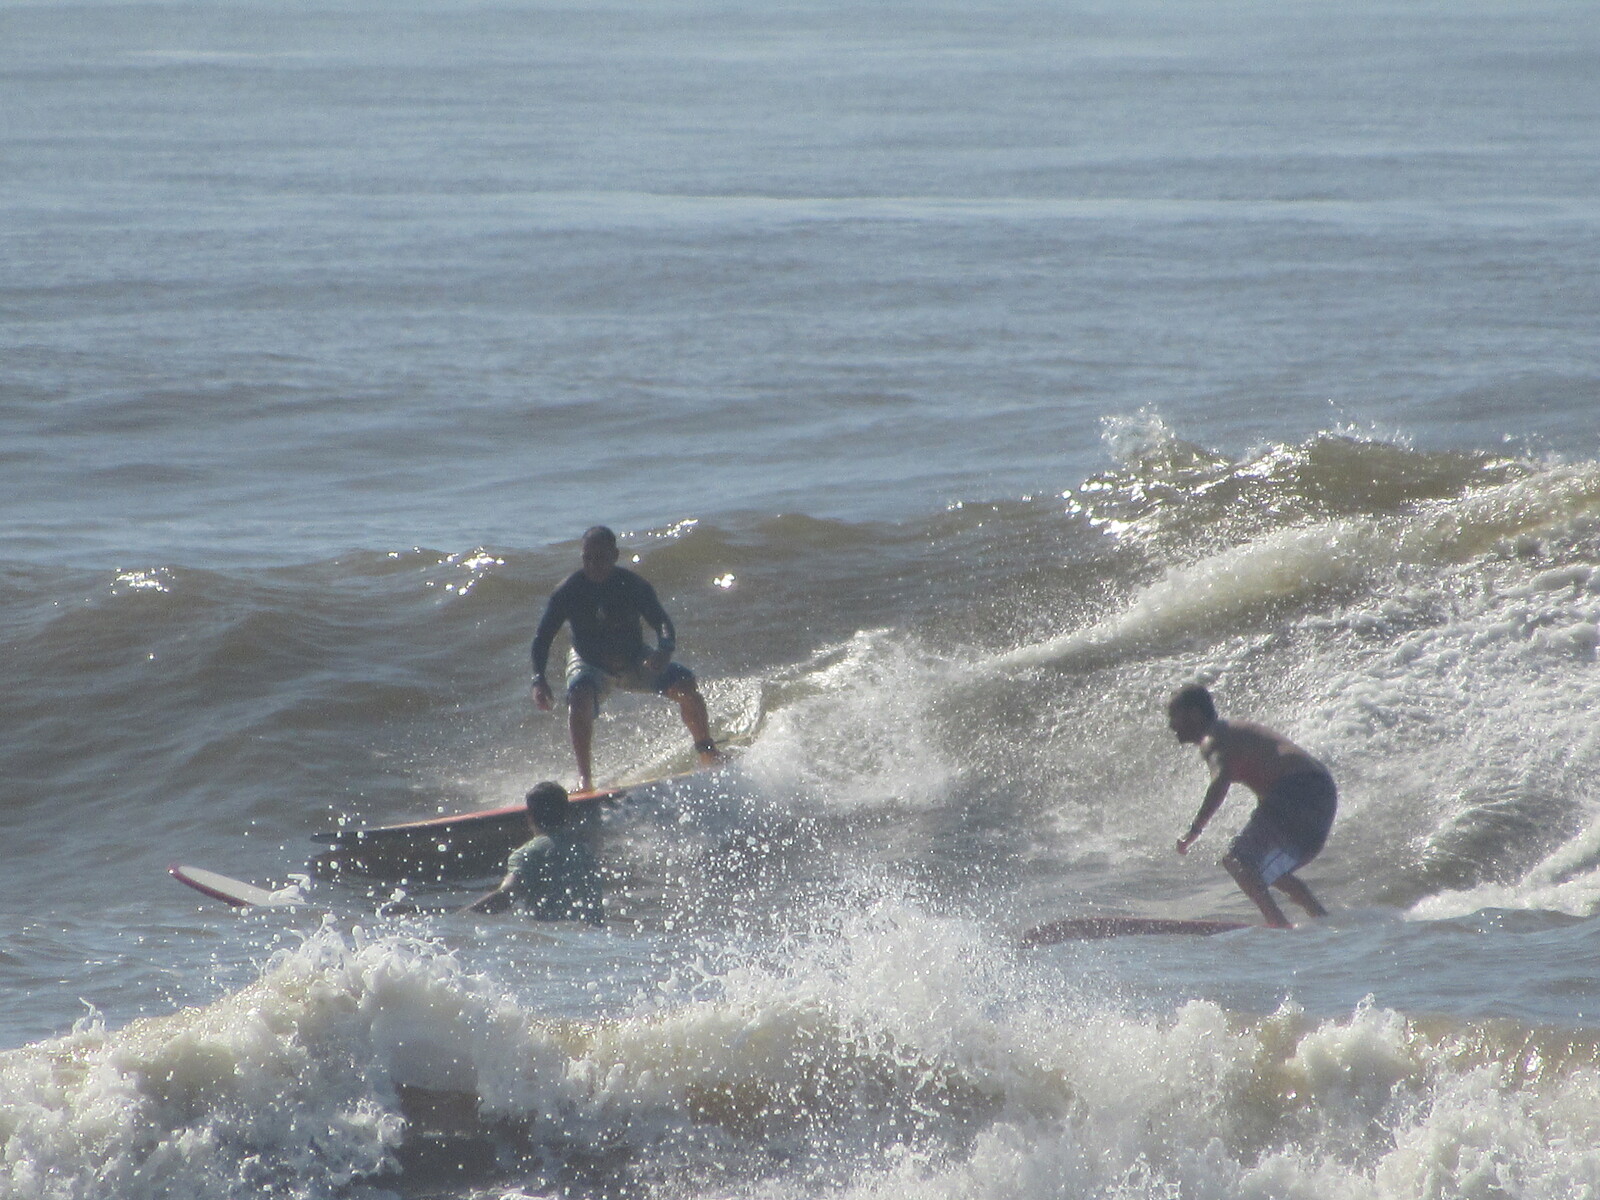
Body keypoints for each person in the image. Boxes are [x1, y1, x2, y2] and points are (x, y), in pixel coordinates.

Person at [531, 525, 721, 792]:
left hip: (633, 659)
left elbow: (662, 623)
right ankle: (585, 780)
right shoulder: (568, 590)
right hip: (589, 662)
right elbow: (542, 638)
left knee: (686, 685)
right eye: (588, 558)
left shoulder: (632, 585)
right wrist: (538, 679)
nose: (594, 565)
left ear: (615, 555)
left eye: (601, 558)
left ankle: (707, 751)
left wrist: (664, 651)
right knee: (579, 698)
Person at [1168, 683, 1336, 928]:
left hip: (1299, 788)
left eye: (1174, 716)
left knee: (1237, 861)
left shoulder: (1212, 738)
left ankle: (1278, 927)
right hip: (1321, 792)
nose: (1171, 725)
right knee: (1262, 867)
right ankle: (1323, 922)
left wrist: (1194, 831)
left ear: (1194, 714)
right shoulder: (1232, 732)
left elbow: (1220, 779)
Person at [464, 781, 603, 922]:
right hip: (594, 938)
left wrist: (460, 918)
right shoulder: (585, 851)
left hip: (553, 938)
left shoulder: (529, 854)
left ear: (529, 815)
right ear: (568, 814)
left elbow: (506, 895)